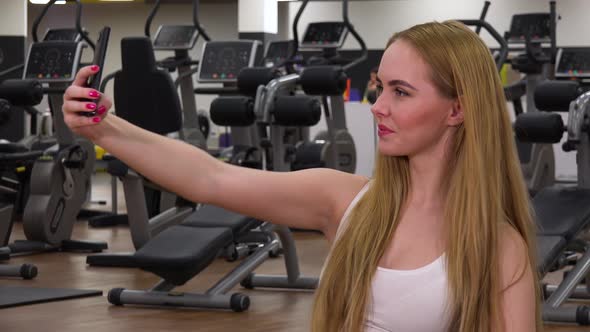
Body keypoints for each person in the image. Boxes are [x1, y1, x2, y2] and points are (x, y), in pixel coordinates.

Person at [62, 20, 540, 332]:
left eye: (401, 92)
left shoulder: (497, 247)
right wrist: (105, 125)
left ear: (457, 109)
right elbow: (210, 179)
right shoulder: (346, 202)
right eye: (380, 88)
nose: (378, 107)